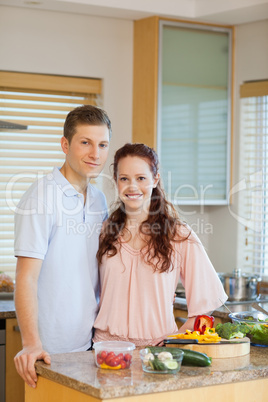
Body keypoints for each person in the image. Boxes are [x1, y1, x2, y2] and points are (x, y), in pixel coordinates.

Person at [13, 105, 112, 388]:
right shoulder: (41, 198)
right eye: (85, 143)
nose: (95, 154)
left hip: (90, 344)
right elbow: (26, 276)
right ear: (65, 145)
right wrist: (32, 344)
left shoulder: (98, 199)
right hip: (49, 351)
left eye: (102, 144)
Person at [93, 143, 228, 346]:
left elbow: (203, 307)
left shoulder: (178, 235)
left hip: (156, 352)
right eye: (124, 179)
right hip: (106, 349)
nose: (132, 187)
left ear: (155, 179)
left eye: (141, 178)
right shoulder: (104, 232)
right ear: (116, 181)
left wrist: (171, 342)